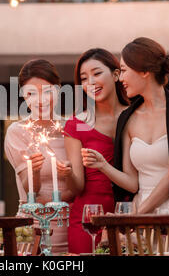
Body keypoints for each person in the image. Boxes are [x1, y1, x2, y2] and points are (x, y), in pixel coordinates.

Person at [83, 37, 169, 215]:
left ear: (144, 71)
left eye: (123, 70)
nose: (120, 78)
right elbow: (132, 182)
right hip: (140, 214)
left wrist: (137, 216)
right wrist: (103, 165)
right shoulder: (127, 118)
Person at [62, 48, 130, 254]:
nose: (90, 82)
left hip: (129, 216)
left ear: (116, 74)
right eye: (84, 78)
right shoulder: (78, 124)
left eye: (97, 73)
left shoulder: (136, 116)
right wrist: (67, 175)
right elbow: (77, 187)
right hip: (87, 220)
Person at [4, 59, 74, 255]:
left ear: (58, 90)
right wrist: (33, 170)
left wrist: (69, 174)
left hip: (67, 226)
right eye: (31, 93)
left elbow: (79, 186)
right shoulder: (17, 132)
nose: (40, 99)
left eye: (46, 91)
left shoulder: (71, 128)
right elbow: (30, 190)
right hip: (30, 229)